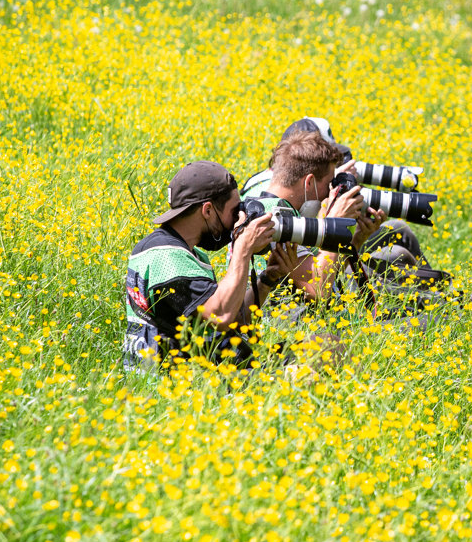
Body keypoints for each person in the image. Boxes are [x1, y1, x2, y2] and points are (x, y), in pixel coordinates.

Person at [123, 161, 299, 372]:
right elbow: (221, 316)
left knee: (325, 343)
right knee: (320, 355)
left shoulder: (184, 252)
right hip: (191, 386)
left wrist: (268, 279)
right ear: (207, 210)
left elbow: (234, 316)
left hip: (213, 370)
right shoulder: (165, 256)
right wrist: (243, 248)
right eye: (234, 212)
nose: (237, 219)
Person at [240, 132, 384, 301]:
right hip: (283, 319)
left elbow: (329, 274)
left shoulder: (272, 208)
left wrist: (357, 238)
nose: (328, 194)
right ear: (309, 182)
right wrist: (334, 222)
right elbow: (319, 290)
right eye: (328, 184)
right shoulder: (275, 219)